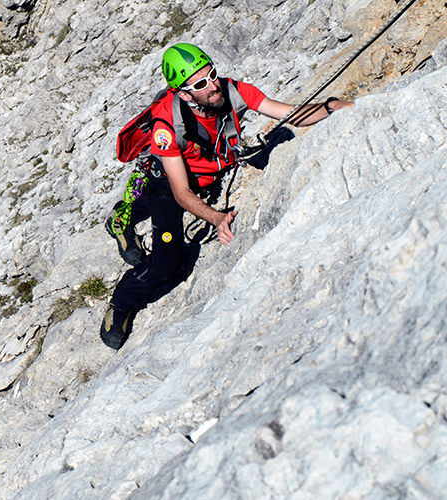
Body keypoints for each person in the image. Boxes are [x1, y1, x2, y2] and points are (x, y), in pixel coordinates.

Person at [101, 42, 354, 350]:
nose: (213, 85)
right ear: (184, 94)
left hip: (204, 176)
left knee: (152, 207)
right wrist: (216, 218)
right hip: (169, 182)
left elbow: (291, 114)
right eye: (200, 84)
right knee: (167, 261)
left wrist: (330, 107)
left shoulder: (233, 91)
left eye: (212, 75)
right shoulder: (167, 124)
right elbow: (181, 192)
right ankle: (122, 301)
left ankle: (120, 217)